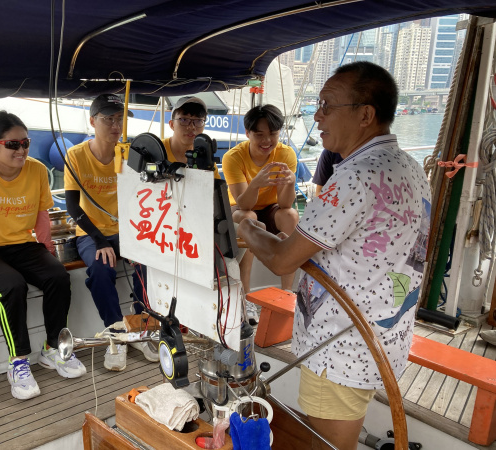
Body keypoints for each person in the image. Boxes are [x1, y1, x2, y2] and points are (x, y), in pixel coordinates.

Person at [238, 61, 431, 450]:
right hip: (381, 339)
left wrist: (246, 229)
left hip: (340, 352)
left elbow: (282, 260)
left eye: (327, 104)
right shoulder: (409, 166)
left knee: (325, 446)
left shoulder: (355, 176)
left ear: (365, 115)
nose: (318, 114)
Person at [0, 110, 86, 400]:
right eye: (12, 144)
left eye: (25, 143)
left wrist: (48, 253)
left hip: (21, 246)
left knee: (58, 276)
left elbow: (42, 218)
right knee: (12, 285)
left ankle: (53, 349)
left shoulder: (36, 170)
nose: (21, 150)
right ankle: (18, 361)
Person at [65, 94, 157, 372]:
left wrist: (136, 238)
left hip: (127, 230)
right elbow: (71, 205)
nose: (115, 125)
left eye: (119, 119)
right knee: (100, 268)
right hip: (91, 234)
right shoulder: (76, 155)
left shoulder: (128, 153)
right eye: (108, 119)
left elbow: (143, 198)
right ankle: (117, 333)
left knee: (147, 265)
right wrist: (101, 241)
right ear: (92, 121)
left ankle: (141, 328)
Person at [222, 104, 299, 296]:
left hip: (270, 208)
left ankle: (287, 292)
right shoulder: (233, 158)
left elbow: (285, 205)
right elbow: (243, 204)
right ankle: (247, 296)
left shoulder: (286, 154)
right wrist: (256, 183)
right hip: (241, 208)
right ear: (247, 133)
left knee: (290, 215)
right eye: (259, 135)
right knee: (249, 216)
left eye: (273, 134)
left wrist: (291, 182)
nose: (267, 141)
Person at [163, 96, 221, 179]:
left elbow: (215, 188)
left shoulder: (205, 157)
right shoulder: (157, 151)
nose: (192, 127)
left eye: (198, 121)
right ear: (172, 125)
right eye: (184, 120)